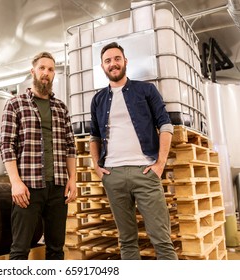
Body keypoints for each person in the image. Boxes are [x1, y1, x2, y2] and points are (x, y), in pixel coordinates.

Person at [89, 42, 178, 260]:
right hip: (113, 175)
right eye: (108, 61)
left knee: (162, 240)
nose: (113, 64)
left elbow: (165, 126)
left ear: (125, 61)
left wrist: (160, 164)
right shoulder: (98, 99)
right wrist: (97, 167)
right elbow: (94, 137)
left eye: (117, 58)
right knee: (127, 241)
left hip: (145, 172)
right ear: (102, 67)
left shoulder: (146, 90)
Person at [0, 51, 77, 260]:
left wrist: (73, 180)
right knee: (19, 250)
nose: (46, 73)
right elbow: (6, 145)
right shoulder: (15, 104)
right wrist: (15, 182)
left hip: (58, 187)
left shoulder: (61, 108)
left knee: (55, 250)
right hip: (28, 188)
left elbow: (71, 146)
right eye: (42, 68)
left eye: (50, 69)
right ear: (33, 71)